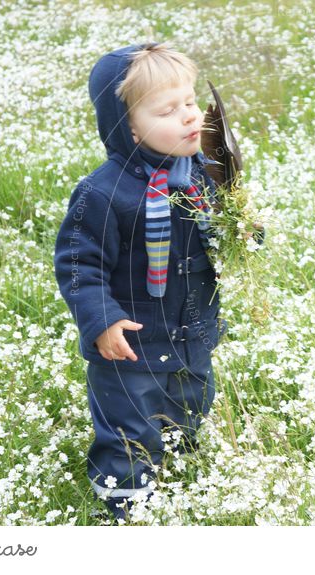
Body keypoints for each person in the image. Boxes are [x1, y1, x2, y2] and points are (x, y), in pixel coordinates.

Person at [53, 41, 264, 522]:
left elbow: (230, 233)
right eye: (169, 110)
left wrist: (247, 231)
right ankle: (124, 506)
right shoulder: (102, 193)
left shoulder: (205, 176)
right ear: (128, 127)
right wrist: (101, 321)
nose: (190, 116)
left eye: (190, 102)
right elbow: (79, 266)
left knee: (192, 406)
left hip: (193, 333)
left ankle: (184, 469)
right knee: (129, 429)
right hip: (131, 346)